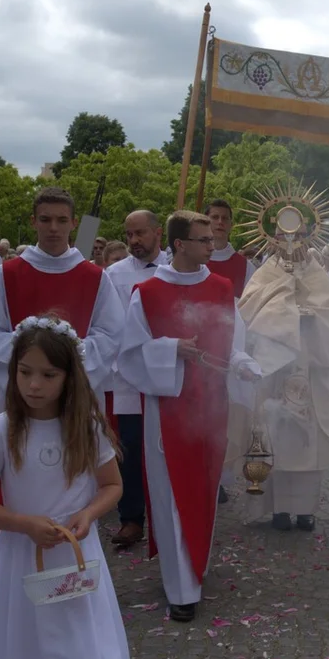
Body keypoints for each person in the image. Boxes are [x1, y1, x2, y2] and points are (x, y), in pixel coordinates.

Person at [0, 186, 125, 589]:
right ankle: (9, 573)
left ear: (74, 223)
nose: (53, 228)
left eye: (61, 220)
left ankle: (76, 551)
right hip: (26, 398)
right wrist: (28, 349)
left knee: (74, 481)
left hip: (74, 400)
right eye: (45, 219)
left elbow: (112, 333)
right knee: (16, 479)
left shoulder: (94, 276)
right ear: (34, 221)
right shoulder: (9, 273)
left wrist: (71, 361)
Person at [0, 315, 130, 659]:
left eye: (48, 375)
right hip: (23, 553)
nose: (34, 385)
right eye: (25, 373)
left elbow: (111, 485)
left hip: (76, 552)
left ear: (68, 377)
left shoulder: (87, 427)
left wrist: (88, 513)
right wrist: (24, 523)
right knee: (29, 649)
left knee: (88, 652)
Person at [118, 210, 261, 622]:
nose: (212, 246)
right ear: (180, 245)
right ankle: (180, 586)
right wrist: (168, 350)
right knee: (170, 497)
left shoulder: (221, 288)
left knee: (202, 493)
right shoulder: (146, 293)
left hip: (211, 409)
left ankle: (195, 563)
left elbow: (231, 344)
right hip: (167, 413)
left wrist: (244, 363)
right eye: (203, 240)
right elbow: (128, 356)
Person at [238, 205, 329, 533]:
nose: (290, 241)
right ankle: (279, 510)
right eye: (284, 235)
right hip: (277, 370)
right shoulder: (266, 271)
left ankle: (306, 511)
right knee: (277, 439)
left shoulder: (317, 271)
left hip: (311, 367)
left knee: (307, 444)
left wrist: (308, 314)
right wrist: (284, 305)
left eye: (297, 235)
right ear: (272, 237)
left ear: (306, 236)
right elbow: (249, 308)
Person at [103, 210, 169, 548]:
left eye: (140, 233)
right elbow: (110, 325)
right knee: (129, 448)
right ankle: (131, 518)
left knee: (166, 448)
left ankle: (167, 514)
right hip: (129, 376)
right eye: (128, 235)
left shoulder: (177, 269)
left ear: (158, 232)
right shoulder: (114, 275)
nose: (133, 241)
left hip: (168, 373)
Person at [204, 198, 258, 497]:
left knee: (227, 410)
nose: (220, 222)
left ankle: (222, 474)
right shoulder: (194, 257)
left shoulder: (244, 264)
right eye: (214, 217)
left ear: (231, 224)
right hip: (200, 341)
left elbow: (250, 305)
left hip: (232, 341)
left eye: (225, 217)